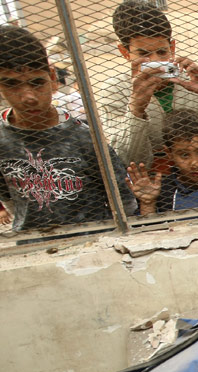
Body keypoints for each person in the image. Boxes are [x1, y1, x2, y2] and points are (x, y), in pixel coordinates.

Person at [0, 25, 137, 231]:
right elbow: (9, 200)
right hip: (33, 242)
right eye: (12, 85)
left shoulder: (86, 138)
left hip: (93, 241)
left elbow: (125, 201)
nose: (28, 97)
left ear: (53, 78)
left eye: (37, 82)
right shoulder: (2, 140)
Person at [98, 0, 198, 172]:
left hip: (196, 178)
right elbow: (125, 160)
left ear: (172, 47)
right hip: (147, 184)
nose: (156, 61)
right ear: (124, 52)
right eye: (144, 54)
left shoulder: (191, 81)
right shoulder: (115, 91)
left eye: (162, 52)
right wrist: (136, 109)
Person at [126, 109, 198, 212]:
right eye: (184, 155)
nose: (195, 163)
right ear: (169, 153)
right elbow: (151, 228)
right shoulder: (162, 193)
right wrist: (148, 203)